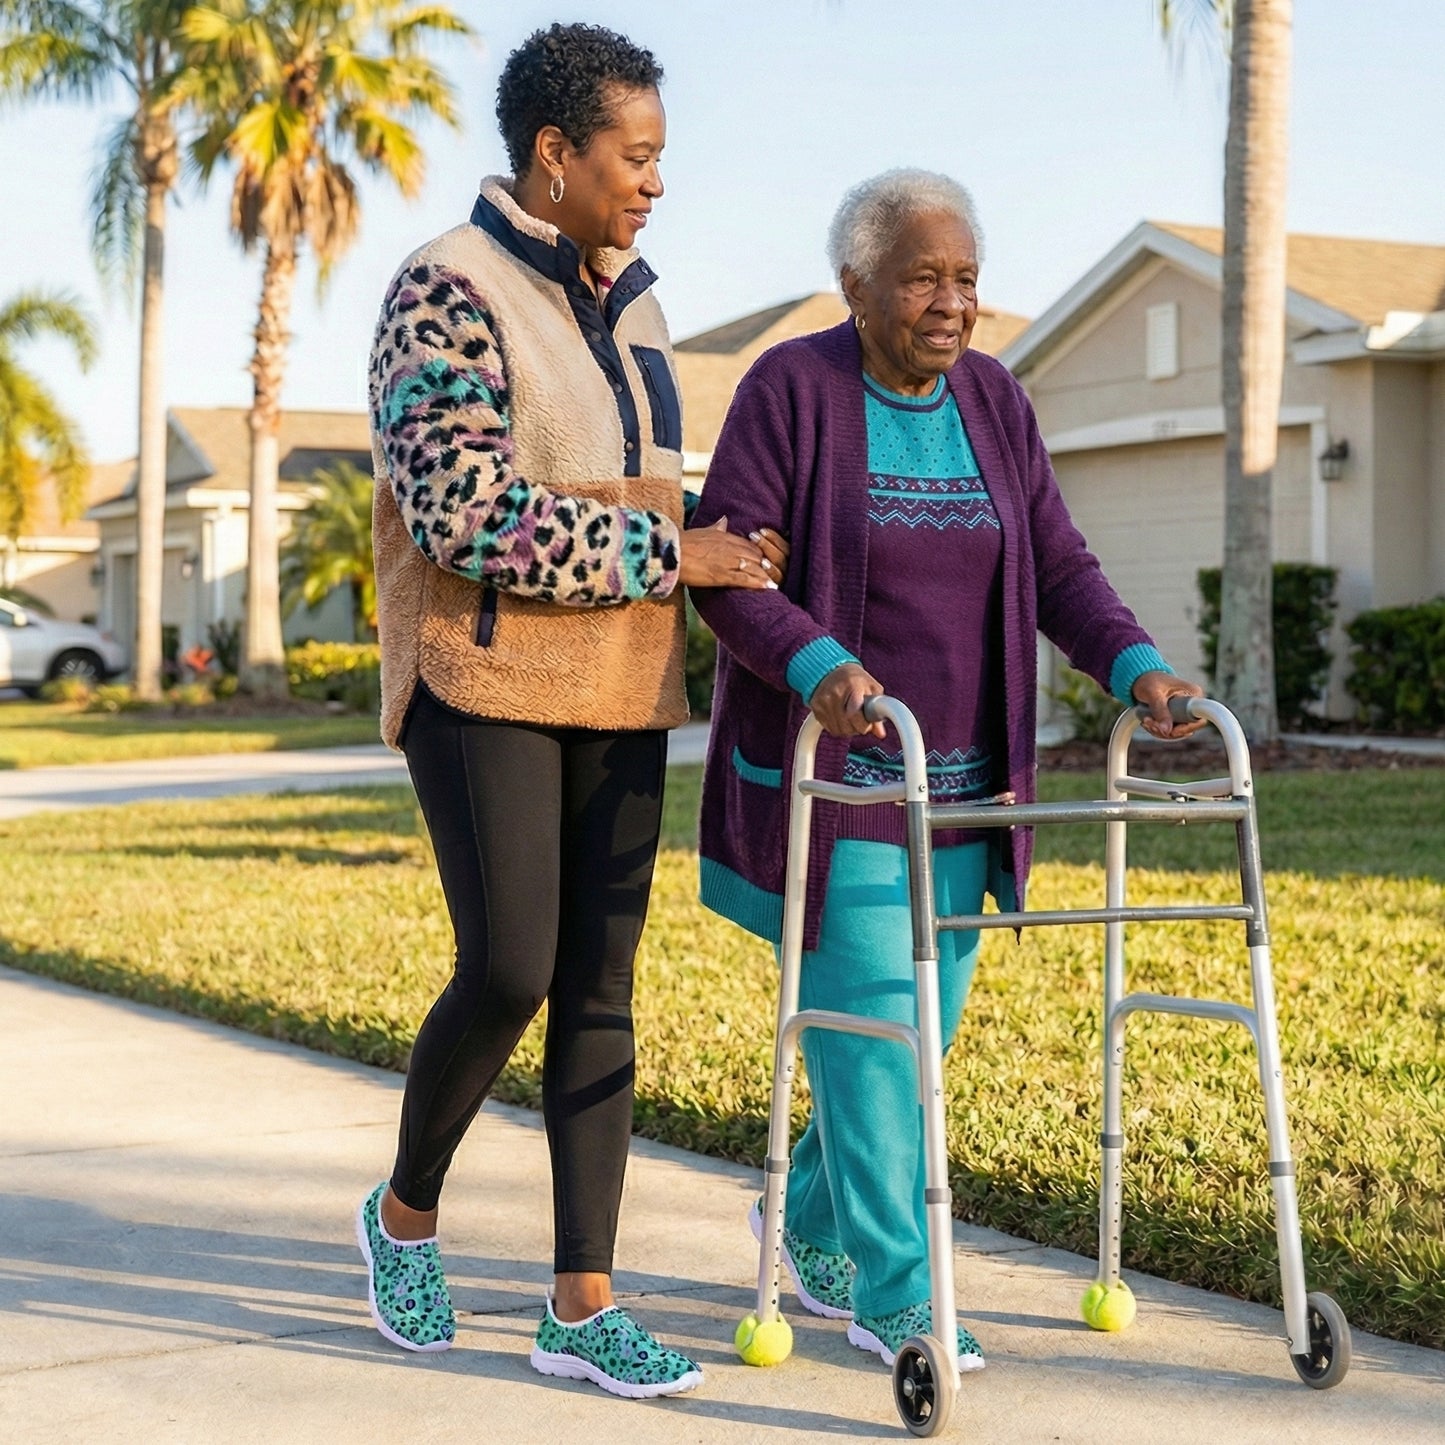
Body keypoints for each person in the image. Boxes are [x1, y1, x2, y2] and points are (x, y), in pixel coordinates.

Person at [690, 169, 1204, 1373]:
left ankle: (805, 1217)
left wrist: (1136, 668)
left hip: (967, 791)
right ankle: (898, 1292)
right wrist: (817, 661)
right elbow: (729, 572)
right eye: (921, 277)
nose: (951, 302)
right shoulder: (790, 389)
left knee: (912, 1044)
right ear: (855, 285)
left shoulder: (993, 398)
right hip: (848, 789)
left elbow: (1058, 565)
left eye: (965, 278)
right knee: (880, 1045)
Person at [356, 22, 785, 1400]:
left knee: (601, 985)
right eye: (635, 155)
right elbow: (461, 510)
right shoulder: (445, 286)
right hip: (478, 676)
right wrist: (673, 551)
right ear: (555, 152)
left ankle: (581, 1303)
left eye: (660, 156)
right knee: (510, 967)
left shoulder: (639, 308)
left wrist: (725, 544)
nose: (656, 180)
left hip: (617, 683)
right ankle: (403, 1214)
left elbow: (639, 489)